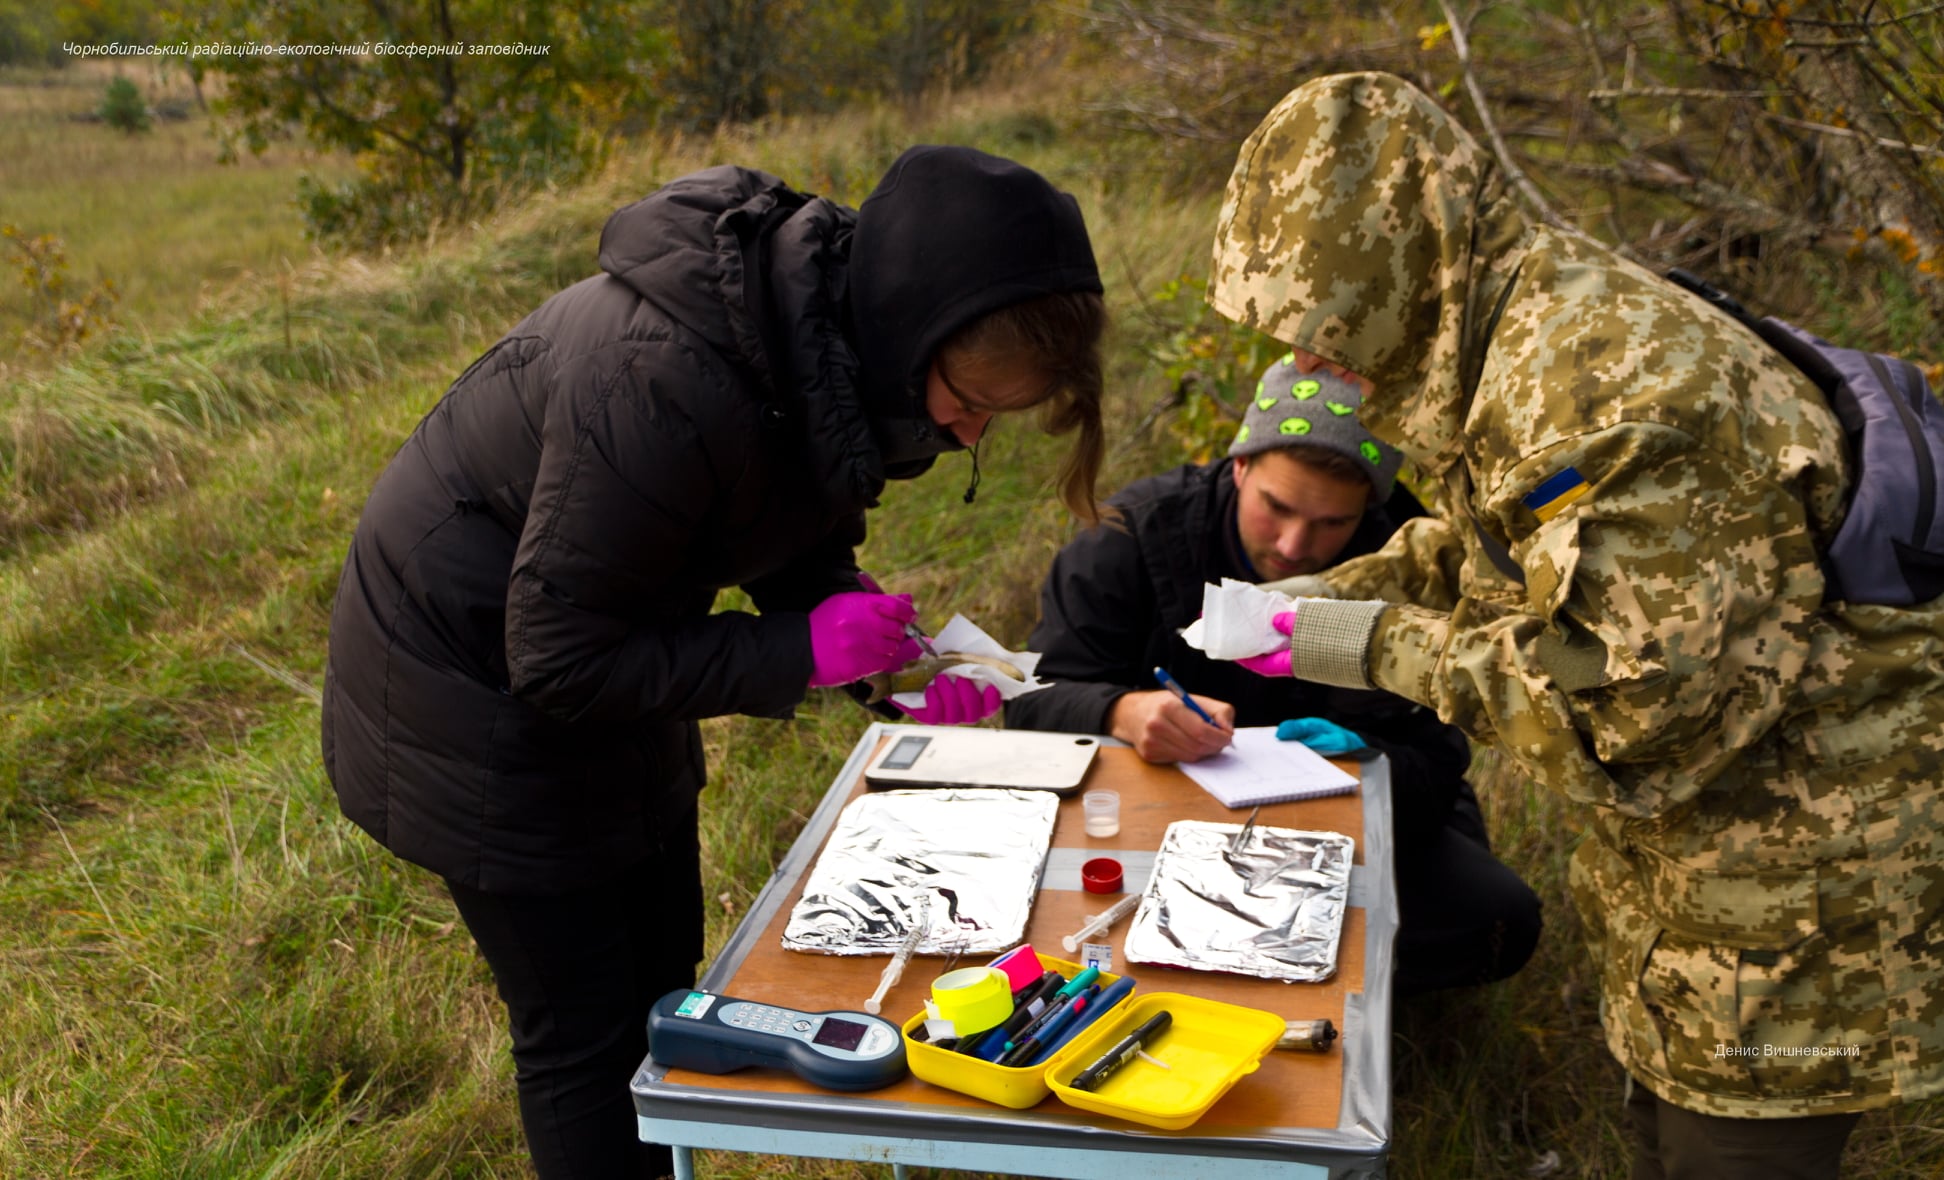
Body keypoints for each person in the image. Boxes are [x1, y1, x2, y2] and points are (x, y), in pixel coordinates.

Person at [320, 145, 1108, 1179]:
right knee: (584, 1029)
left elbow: (780, 508)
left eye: (994, 415)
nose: (967, 432)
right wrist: (800, 647)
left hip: (610, 651)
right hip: (464, 693)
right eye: (968, 399)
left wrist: (878, 658)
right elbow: (558, 659)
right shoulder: (657, 376)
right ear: (907, 324)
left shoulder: (819, 346)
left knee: (665, 989)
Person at [1209, 72, 1944, 1178]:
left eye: (1323, 322)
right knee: (1665, 1131)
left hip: (1804, 884)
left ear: (1405, 265)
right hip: (1709, 875)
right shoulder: (1512, 333)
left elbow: (1626, 701)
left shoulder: (1596, 391)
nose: (1307, 362)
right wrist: (1338, 590)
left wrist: (1358, 641)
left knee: (1725, 1152)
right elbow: (1508, 545)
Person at [1005, 357, 1542, 996]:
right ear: (1239, 466)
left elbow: (1440, 760)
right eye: (1276, 507)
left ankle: (1336, 987)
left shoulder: (1415, 558)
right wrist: (1120, 711)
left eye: (1332, 524)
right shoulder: (1128, 537)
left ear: (1370, 507)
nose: (1293, 545)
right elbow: (1031, 701)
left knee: (1497, 922)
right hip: (1153, 810)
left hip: (1339, 822)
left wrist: (1371, 759)